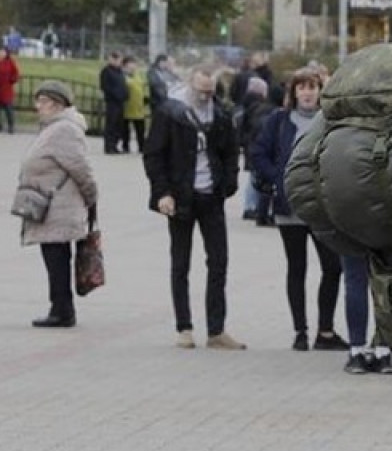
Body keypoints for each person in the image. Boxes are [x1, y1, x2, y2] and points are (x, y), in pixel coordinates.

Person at [144, 67, 246, 350]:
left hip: (211, 197)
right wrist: (162, 193)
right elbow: (154, 155)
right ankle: (184, 327)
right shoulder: (170, 113)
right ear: (190, 85)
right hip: (180, 197)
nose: (205, 96)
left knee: (218, 261)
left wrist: (228, 184)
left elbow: (230, 152)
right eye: (201, 90)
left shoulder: (221, 115)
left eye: (210, 91)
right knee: (181, 263)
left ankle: (216, 330)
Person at [250, 67, 347, 352]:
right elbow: (259, 153)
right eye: (301, 88)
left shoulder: (329, 121)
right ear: (293, 92)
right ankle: (300, 331)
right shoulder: (279, 121)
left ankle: (325, 331)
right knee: (297, 268)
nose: (307, 93)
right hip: (289, 207)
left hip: (322, 208)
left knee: (332, 267)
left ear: (320, 91)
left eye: (312, 87)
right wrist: (278, 179)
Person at [16, 81, 98, 328]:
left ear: (56, 103)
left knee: (57, 259)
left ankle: (62, 310)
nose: (37, 106)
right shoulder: (54, 127)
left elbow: (81, 169)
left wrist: (91, 197)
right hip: (51, 206)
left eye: (41, 101)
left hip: (59, 207)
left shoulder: (65, 129)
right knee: (54, 258)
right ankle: (60, 307)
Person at [235, 77, 277, 224]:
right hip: (257, 145)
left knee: (253, 177)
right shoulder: (265, 110)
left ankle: (250, 206)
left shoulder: (246, 106)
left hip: (250, 145)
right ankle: (253, 207)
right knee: (257, 178)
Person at [99, 52, 128, 154]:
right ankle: (109, 146)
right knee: (111, 124)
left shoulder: (119, 71)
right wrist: (115, 95)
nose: (118, 62)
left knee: (118, 125)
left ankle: (115, 145)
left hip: (120, 102)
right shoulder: (106, 71)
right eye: (117, 60)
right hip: (112, 102)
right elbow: (105, 87)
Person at [0, 47, 20, 134]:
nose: (1, 53)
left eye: (3, 52)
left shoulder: (10, 61)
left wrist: (12, 80)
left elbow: (16, 73)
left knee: (8, 109)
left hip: (7, 88)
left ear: (6, 53)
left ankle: (11, 126)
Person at [123, 56, 148, 153]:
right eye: (131, 64)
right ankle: (126, 146)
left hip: (138, 106)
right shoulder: (123, 76)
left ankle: (141, 146)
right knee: (125, 129)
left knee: (140, 129)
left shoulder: (137, 75)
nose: (134, 66)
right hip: (127, 106)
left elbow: (141, 87)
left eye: (134, 64)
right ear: (125, 66)